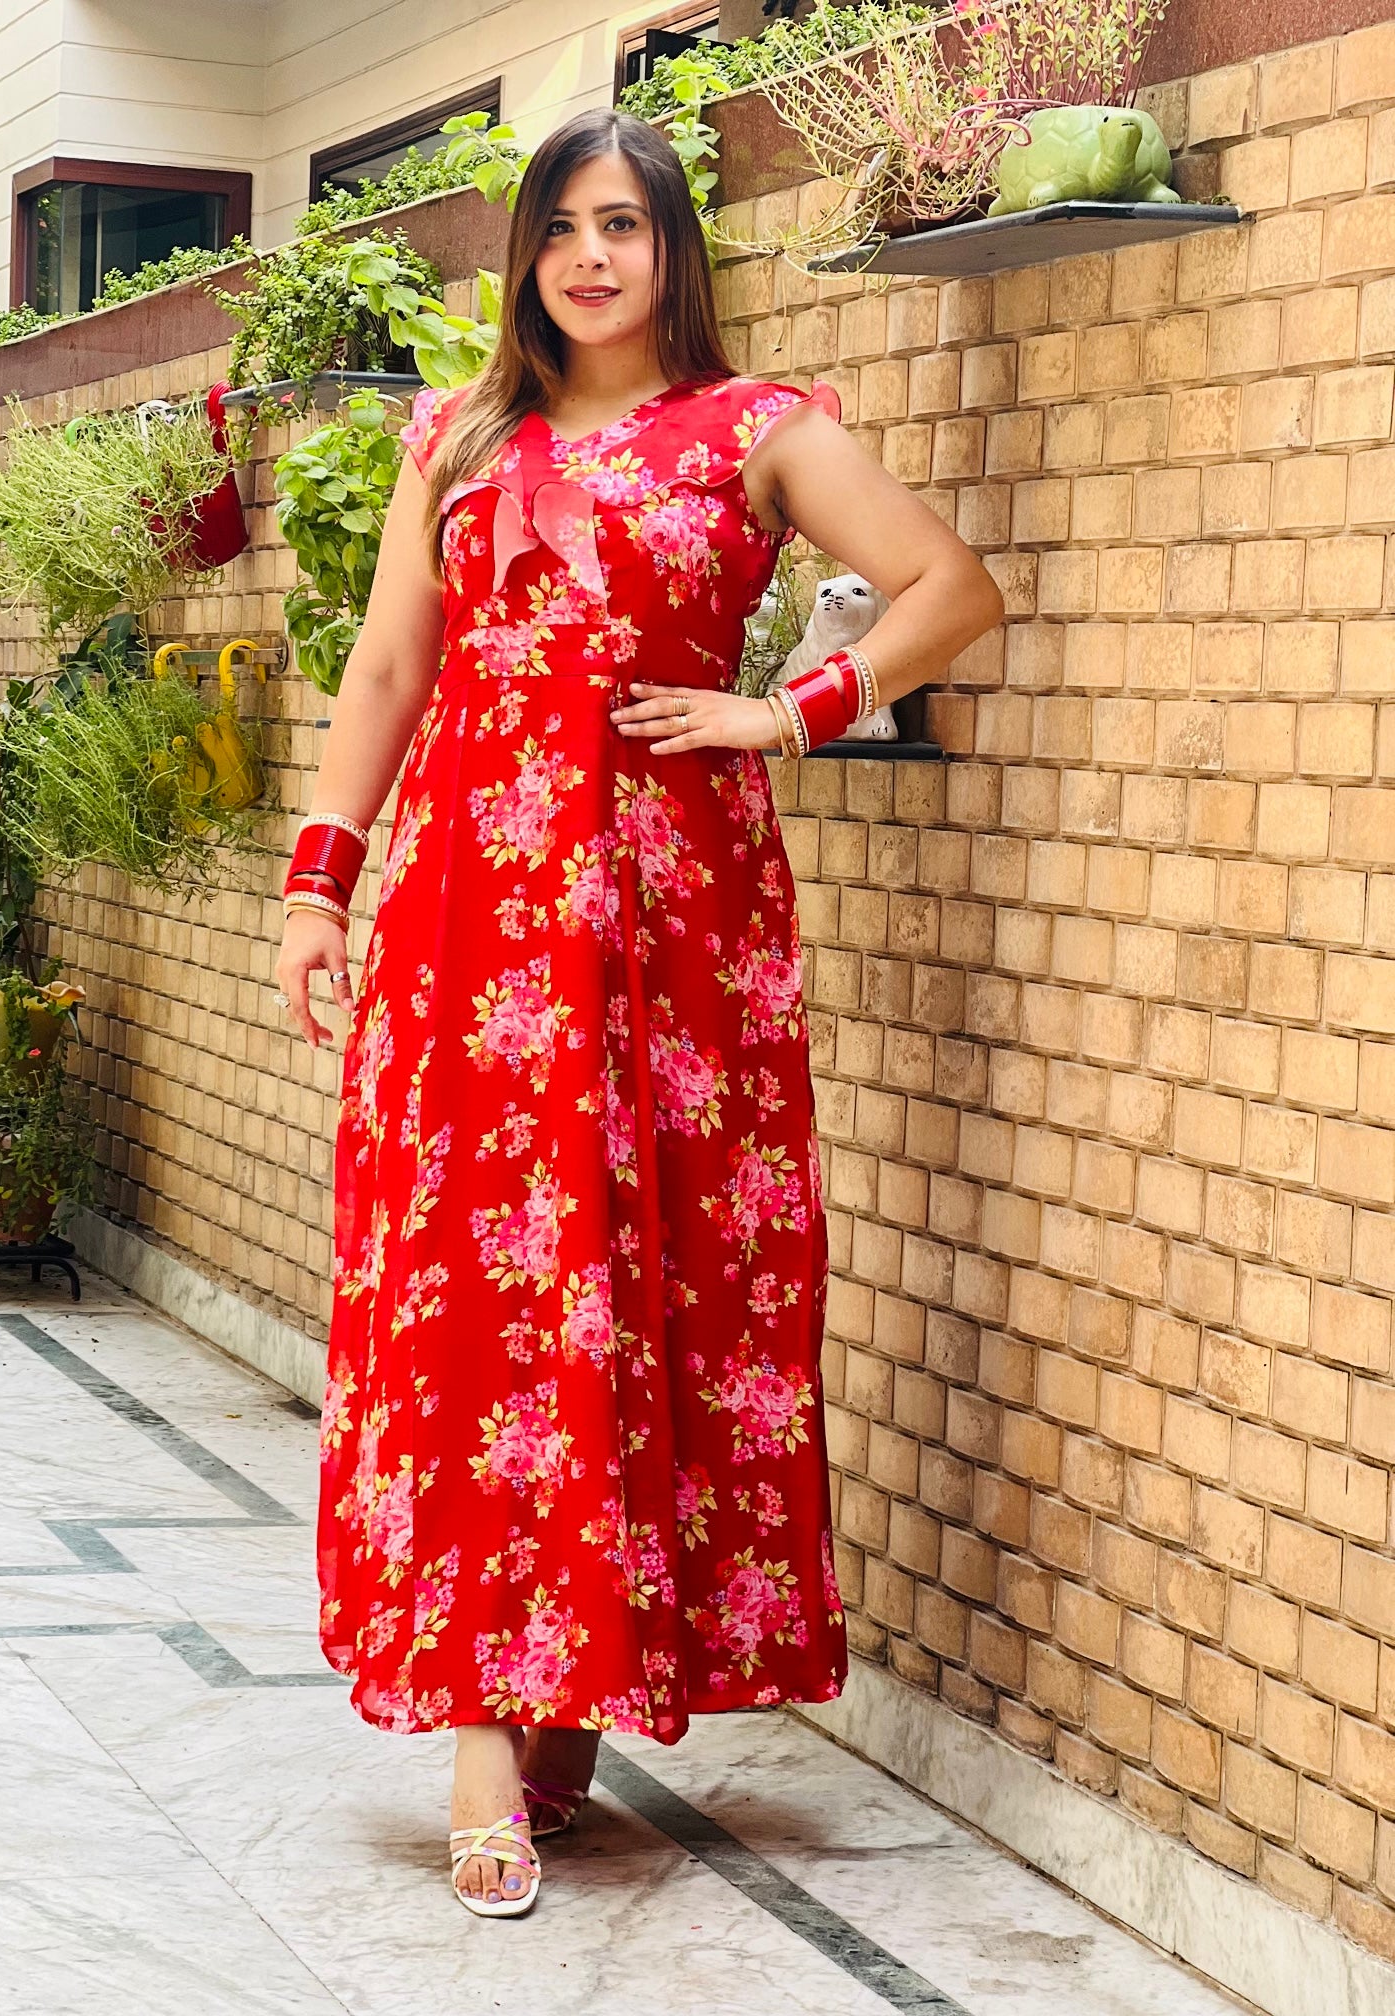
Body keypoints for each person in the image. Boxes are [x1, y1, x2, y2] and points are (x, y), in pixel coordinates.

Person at [275, 104, 1005, 1919]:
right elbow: (390, 664)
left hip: (673, 931)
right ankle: (481, 1740)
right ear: (526, 260)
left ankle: (573, 1690)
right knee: (473, 1298)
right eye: (559, 230)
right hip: (465, 923)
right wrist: (317, 880)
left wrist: (792, 710)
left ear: (674, 249)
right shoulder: (455, 434)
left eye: (625, 224)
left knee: (648, 1279)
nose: (590, 256)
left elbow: (953, 589)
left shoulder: (760, 431)